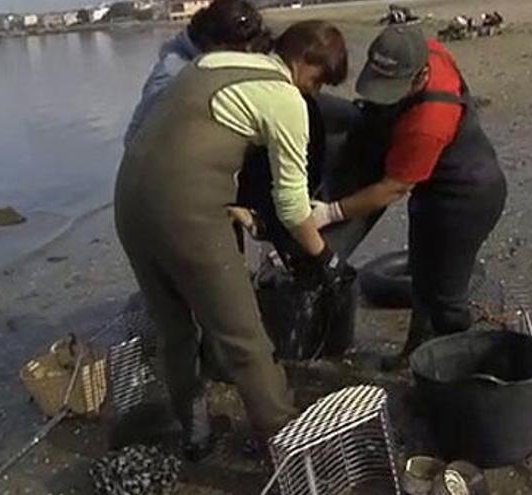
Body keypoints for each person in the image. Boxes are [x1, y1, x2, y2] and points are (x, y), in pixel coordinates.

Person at [114, 20, 350, 459]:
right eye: (317, 81)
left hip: (128, 200)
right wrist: (328, 261)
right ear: (305, 61)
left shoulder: (212, 62)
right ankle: (288, 448)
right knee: (245, 338)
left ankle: (196, 432)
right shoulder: (285, 98)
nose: (314, 93)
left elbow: (194, 138)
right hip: (184, 209)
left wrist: (240, 206)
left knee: (175, 329)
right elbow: (293, 207)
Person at [310, 23, 507, 369]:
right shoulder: (427, 48)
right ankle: (412, 358)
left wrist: (330, 212)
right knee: (423, 279)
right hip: (431, 190)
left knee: (446, 298)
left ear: (420, 77)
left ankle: (461, 369)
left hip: (464, 198)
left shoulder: (428, 122)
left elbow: (392, 188)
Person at [122, 0, 271, 146]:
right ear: (217, 44)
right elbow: (135, 139)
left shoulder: (199, 58)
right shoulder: (174, 73)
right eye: (238, 51)